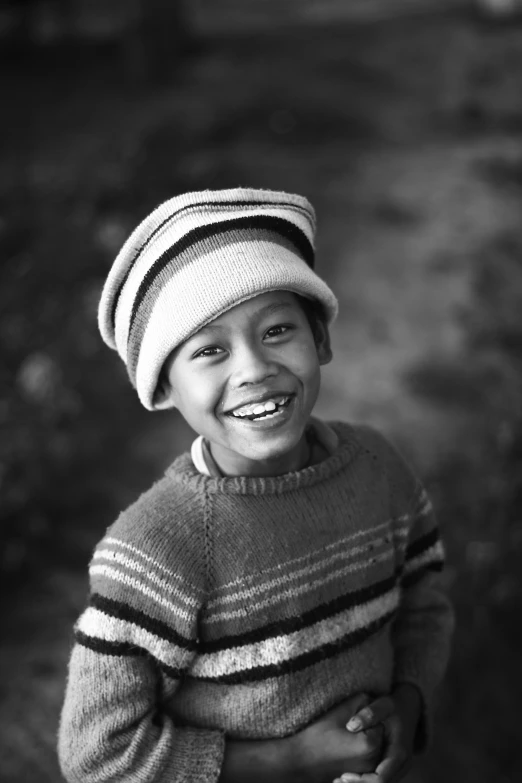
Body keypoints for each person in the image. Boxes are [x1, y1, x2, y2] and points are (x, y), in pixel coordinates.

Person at [58, 188, 454, 783]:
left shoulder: (379, 467)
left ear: (320, 339)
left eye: (276, 331)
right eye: (210, 350)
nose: (252, 369)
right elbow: (98, 757)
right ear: (165, 387)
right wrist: (289, 760)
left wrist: (409, 702)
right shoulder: (156, 552)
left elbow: (423, 603)